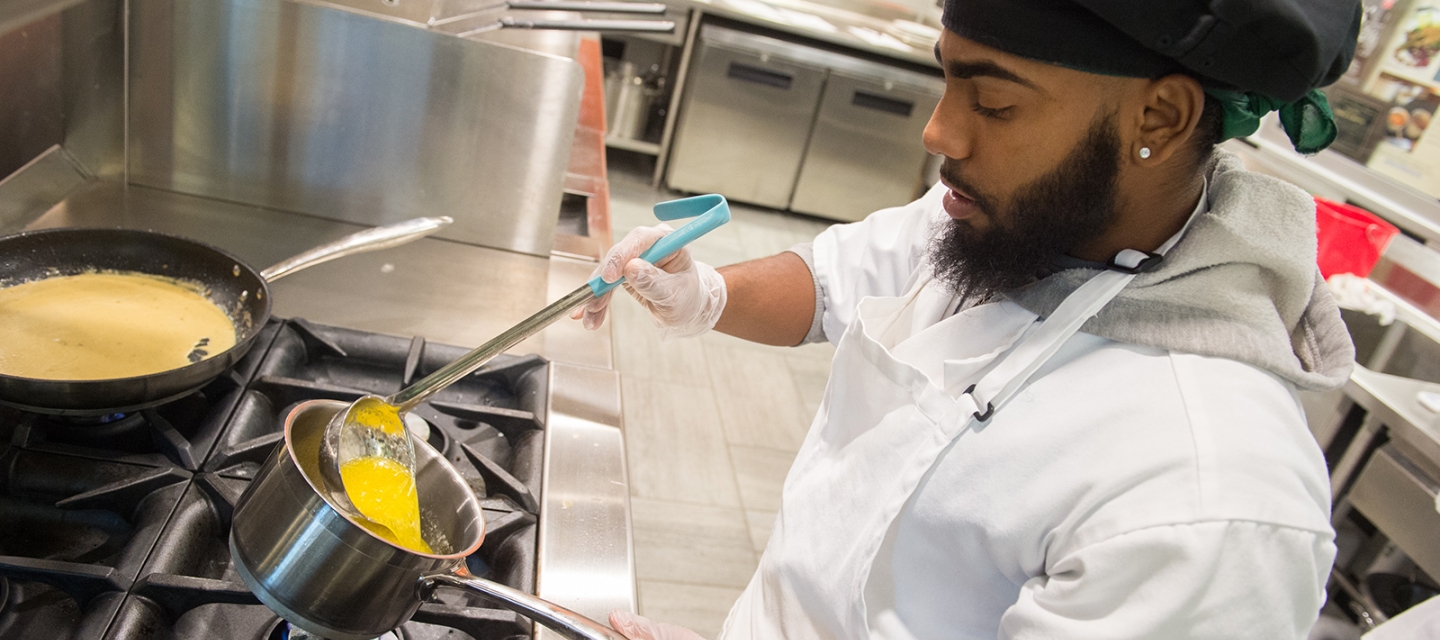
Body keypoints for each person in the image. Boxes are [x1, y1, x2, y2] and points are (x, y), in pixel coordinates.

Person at [578, 0, 1362, 637]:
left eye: (993, 102)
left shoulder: (1207, 498)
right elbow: (832, 281)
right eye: (946, 82)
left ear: (1158, 116)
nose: (940, 132)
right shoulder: (1011, 223)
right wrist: (706, 291)